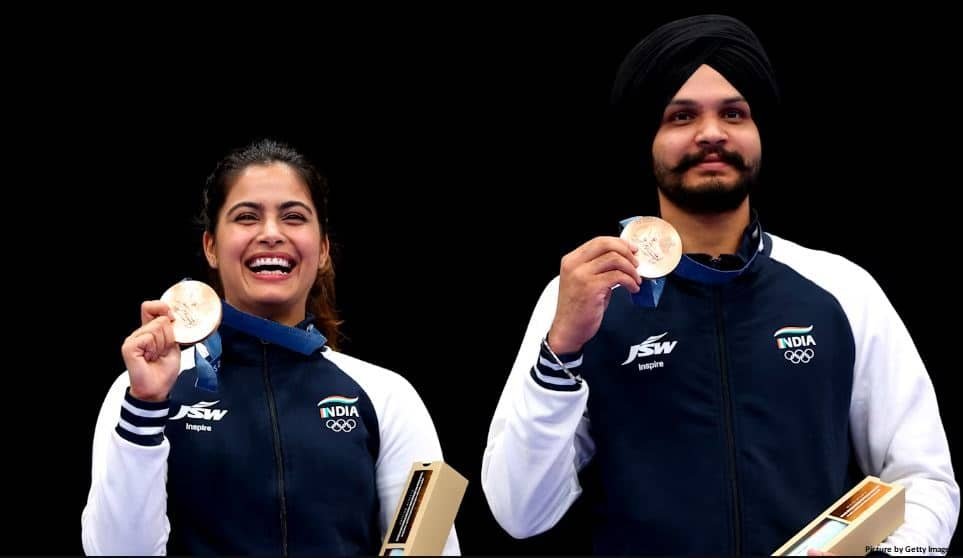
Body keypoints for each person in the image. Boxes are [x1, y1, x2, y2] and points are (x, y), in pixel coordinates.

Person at [481, 14, 958, 555]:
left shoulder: (842, 290)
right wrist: (560, 351)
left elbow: (922, 478)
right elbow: (520, 513)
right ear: (649, 140)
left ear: (758, 134)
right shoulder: (581, 298)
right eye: (682, 116)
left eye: (733, 113)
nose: (711, 132)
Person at [81, 138, 460, 555]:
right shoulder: (141, 393)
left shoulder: (391, 397)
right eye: (246, 217)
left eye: (294, 217)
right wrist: (147, 406)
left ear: (323, 249)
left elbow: (430, 550)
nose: (271, 234)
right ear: (211, 246)